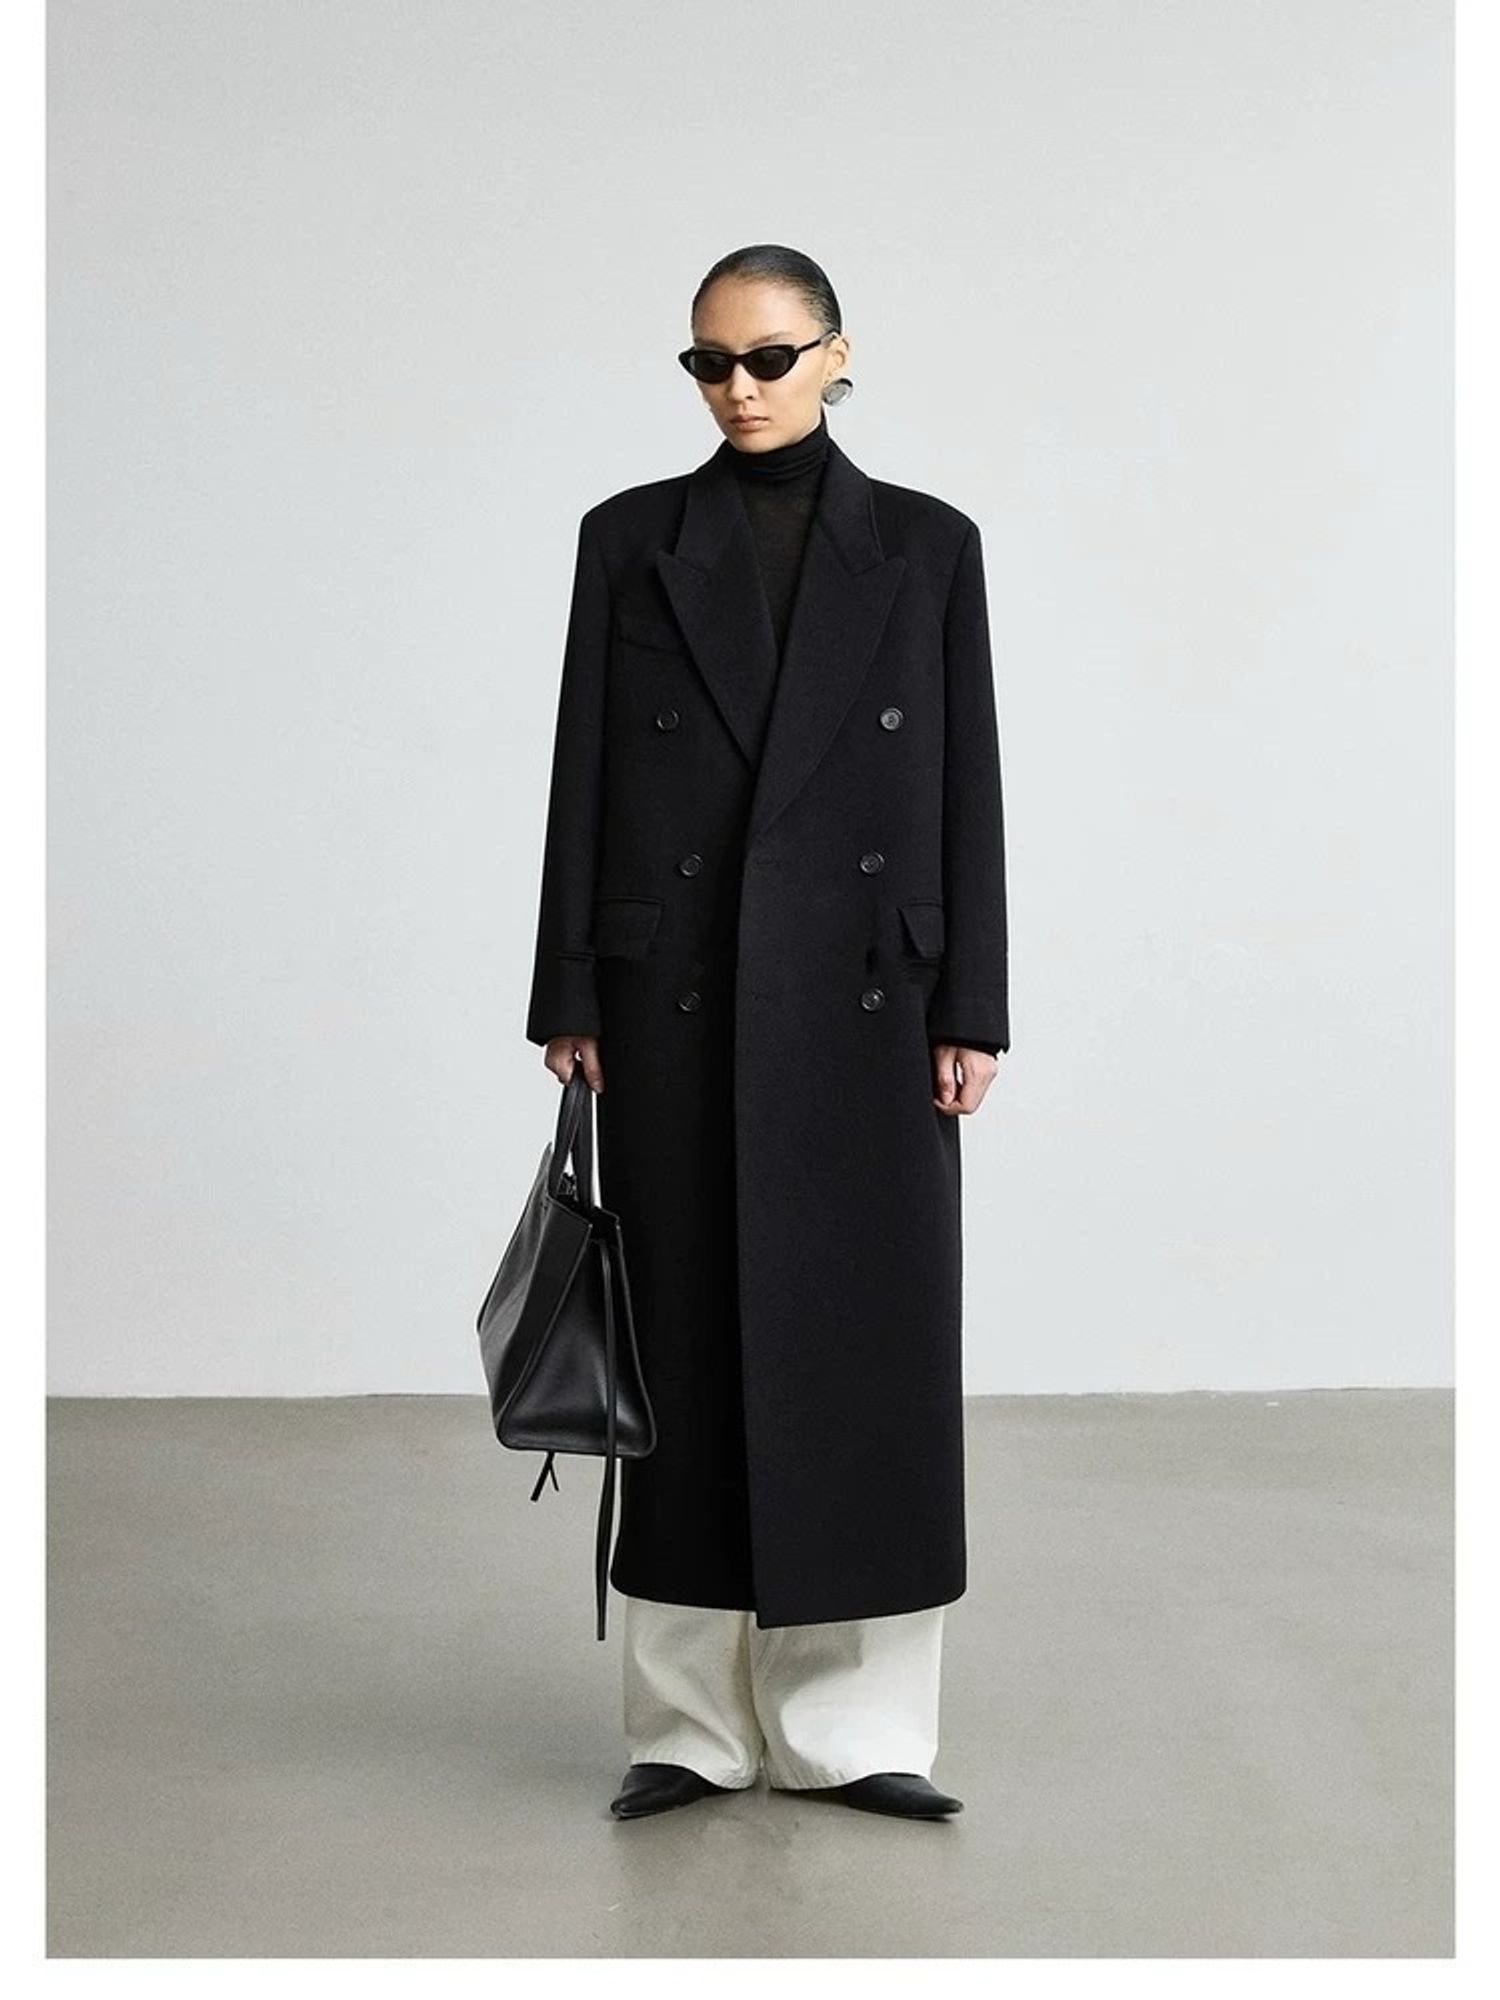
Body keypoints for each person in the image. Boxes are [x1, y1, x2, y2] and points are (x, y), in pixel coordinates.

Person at [524, 245, 1009, 1821]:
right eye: (709, 363)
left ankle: (855, 1729)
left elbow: (968, 783)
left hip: (870, 1003)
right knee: (680, 1353)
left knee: (865, 1355)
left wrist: (974, 1003)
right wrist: (569, 989)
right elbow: (584, 770)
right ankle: (689, 1728)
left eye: (770, 358)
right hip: (672, 1000)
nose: (738, 388)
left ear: (838, 355)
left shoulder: (929, 547)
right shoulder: (629, 539)